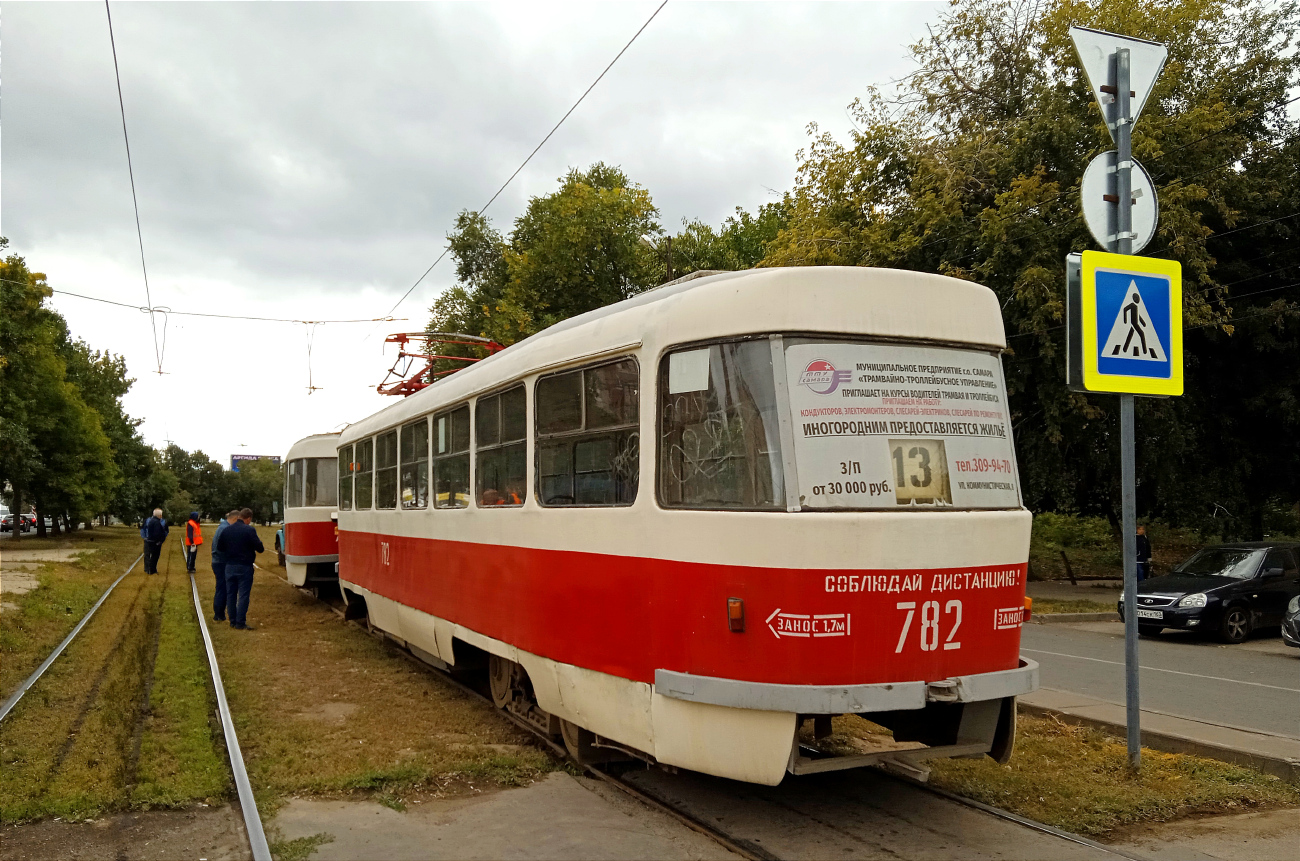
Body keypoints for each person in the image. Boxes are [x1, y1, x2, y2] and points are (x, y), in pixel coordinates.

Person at [214, 507, 264, 630]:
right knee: (243, 595)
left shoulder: (227, 530)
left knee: (231, 594)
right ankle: (240, 622)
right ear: (248, 518)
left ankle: (232, 620)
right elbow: (260, 548)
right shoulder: (249, 530)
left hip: (229, 566)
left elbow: (220, 547)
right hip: (244, 566)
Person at [210, 510, 239, 622]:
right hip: (221, 562)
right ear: (235, 518)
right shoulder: (225, 529)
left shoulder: (222, 527)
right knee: (222, 587)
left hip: (218, 561)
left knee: (221, 587)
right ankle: (218, 614)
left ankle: (219, 613)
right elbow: (220, 548)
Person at [141, 508, 169, 575]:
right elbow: (143, 529)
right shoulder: (148, 520)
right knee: (148, 554)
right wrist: (144, 537)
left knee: (154, 555)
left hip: (153, 540)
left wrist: (163, 538)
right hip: (150, 540)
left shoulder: (163, 521)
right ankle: (148, 569)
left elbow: (166, 530)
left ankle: (151, 569)